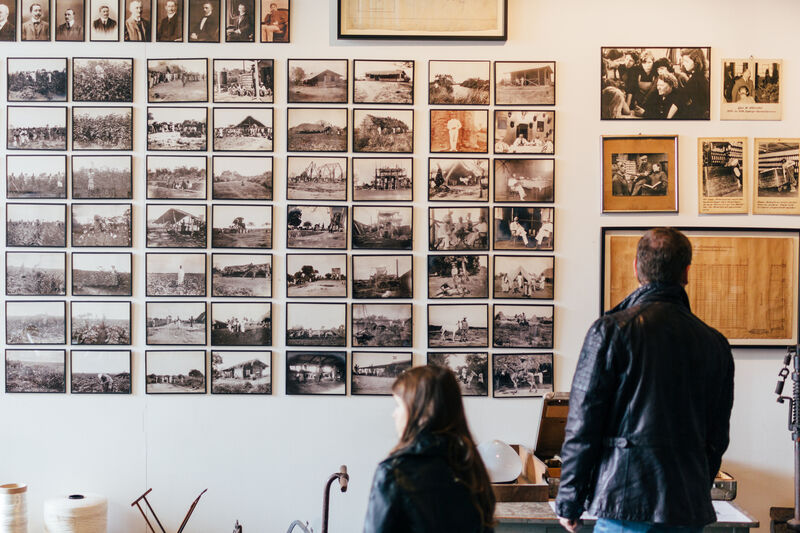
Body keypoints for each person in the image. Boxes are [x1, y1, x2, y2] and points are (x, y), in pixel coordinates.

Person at [556, 227, 734, 533]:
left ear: (637, 268)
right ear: (686, 273)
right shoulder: (714, 342)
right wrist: (693, 489)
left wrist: (569, 500)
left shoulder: (610, 331)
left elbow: (582, 425)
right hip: (685, 509)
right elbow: (717, 437)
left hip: (623, 504)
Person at [363, 365, 496, 533]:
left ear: (422, 412)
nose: (394, 414)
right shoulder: (470, 463)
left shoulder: (395, 471)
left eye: (398, 405)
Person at [681, 48, 710, 119]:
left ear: (696, 62)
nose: (684, 64)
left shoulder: (696, 79)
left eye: (686, 61)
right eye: (683, 61)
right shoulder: (699, 76)